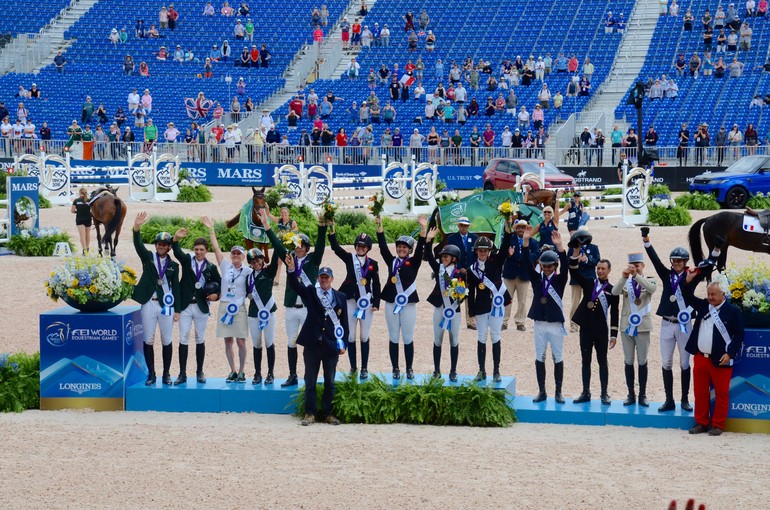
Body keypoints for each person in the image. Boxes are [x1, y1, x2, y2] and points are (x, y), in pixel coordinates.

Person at [643, 227, 719, 412]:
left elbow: (708, 265)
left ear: (685, 262)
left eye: (680, 261)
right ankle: (669, 400)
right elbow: (654, 259)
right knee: (666, 362)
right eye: (674, 260)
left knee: (684, 363)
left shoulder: (691, 275)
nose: (676, 263)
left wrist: (716, 249)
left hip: (685, 324)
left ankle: (684, 399)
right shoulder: (666, 274)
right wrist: (646, 240)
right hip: (667, 323)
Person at [286, 258, 348, 427]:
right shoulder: (312, 292)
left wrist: (343, 345)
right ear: (318, 278)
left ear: (332, 279)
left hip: (330, 345)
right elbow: (296, 286)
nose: (324, 280)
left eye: (327, 277)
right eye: (321, 277)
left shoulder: (341, 297)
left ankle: (328, 413)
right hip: (312, 343)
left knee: (330, 381)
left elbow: (344, 324)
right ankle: (310, 413)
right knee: (310, 381)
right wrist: (291, 270)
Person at [685, 274, 744, 436]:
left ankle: (718, 424)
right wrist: (689, 281)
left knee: (721, 393)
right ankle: (701, 422)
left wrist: (730, 354)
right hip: (700, 357)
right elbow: (686, 295)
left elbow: (739, 335)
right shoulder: (704, 305)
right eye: (708, 294)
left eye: (713, 294)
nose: (710, 297)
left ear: (723, 295)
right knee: (700, 393)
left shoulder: (733, 311)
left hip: (721, 359)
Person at [132, 212, 181, 386]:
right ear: (156, 245)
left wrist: (178, 310)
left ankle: (166, 373)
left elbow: (177, 288)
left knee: (167, 339)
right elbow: (138, 246)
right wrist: (136, 228)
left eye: (164, 245)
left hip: (166, 306)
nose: (161, 246)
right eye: (159, 244)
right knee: (148, 339)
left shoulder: (174, 266)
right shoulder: (148, 258)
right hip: (148, 303)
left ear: (169, 247)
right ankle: (151, 373)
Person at [375, 215, 428, 380]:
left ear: (409, 250)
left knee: (407, 337)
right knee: (393, 337)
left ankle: (410, 368)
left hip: (409, 304)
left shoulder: (414, 262)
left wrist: (423, 229)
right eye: (399, 247)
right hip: (391, 302)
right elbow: (383, 247)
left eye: (405, 248)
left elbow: (420, 249)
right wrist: (380, 227)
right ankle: (395, 368)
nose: (401, 249)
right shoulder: (391, 261)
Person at [569, 241, 619, 405]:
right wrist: (576, 254)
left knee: (602, 361)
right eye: (598, 268)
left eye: (603, 269)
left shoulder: (613, 289)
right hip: (586, 328)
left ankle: (604, 393)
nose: (600, 271)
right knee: (585, 361)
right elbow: (574, 273)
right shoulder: (589, 282)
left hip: (601, 330)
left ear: (609, 270)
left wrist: (613, 334)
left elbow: (614, 313)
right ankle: (586, 392)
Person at [202, 216, 251, 382]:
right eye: (234, 253)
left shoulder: (247, 271)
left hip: (239, 308)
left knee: (241, 342)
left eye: (239, 254)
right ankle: (232, 370)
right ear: (231, 255)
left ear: (243, 256)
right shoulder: (225, 266)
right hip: (225, 307)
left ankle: (243, 370)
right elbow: (216, 248)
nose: (236, 255)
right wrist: (211, 230)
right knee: (228, 341)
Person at [328, 224, 381, 379]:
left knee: (364, 336)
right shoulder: (350, 258)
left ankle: (364, 368)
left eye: (363, 247)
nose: (360, 248)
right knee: (350, 336)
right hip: (350, 301)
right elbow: (336, 249)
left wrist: (376, 303)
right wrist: (332, 233)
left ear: (368, 248)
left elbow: (376, 284)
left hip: (366, 304)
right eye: (358, 245)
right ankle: (353, 367)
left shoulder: (373, 264)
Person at [281, 213, 327, 387]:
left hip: (308, 308)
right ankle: (292, 374)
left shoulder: (313, 261)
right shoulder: (289, 260)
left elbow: (321, 246)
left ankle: (310, 374)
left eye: (302, 246)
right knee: (291, 340)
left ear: (307, 248)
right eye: (296, 246)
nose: (298, 249)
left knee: (312, 340)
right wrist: (269, 228)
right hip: (292, 306)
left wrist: (321, 226)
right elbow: (278, 247)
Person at [170, 228, 222, 384]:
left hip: (201, 306)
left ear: (207, 251)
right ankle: (182, 373)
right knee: (183, 338)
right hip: (186, 305)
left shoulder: (211, 267)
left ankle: (200, 372)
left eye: (202, 250)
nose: (199, 252)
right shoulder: (187, 260)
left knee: (200, 338)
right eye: (196, 249)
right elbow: (177, 252)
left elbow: (220, 283)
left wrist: (216, 296)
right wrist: (175, 239)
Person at [523, 227, 567, 403]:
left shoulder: (559, 280)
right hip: (540, 323)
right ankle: (542, 391)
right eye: (545, 266)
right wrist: (526, 243)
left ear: (555, 266)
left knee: (558, 357)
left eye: (550, 266)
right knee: (539, 356)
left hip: (555, 324)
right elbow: (526, 264)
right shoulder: (537, 279)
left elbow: (566, 270)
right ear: (541, 266)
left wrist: (560, 247)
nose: (547, 268)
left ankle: (558, 392)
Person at [244, 211, 287, 384]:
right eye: (253, 262)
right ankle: (257, 373)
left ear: (263, 260)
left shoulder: (269, 272)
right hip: (254, 313)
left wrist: (276, 233)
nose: (256, 263)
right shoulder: (248, 276)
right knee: (256, 343)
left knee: (269, 342)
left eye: (259, 260)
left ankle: (270, 373)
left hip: (269, 311)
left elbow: (278, 251)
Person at [612, 252, 657, 407]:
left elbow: (651, 289)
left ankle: (642, 394)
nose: (635, 268)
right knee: (629, 361)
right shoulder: (626, 281)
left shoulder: (648, 279)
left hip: (643, 326)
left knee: (642, 361)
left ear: (643, 266)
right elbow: (614, 292)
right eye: (633, 266)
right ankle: (630, 394)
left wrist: (637, 276)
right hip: (627, 326)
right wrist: (624, 277)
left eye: (638, 265)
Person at [466, 233, 509, 382]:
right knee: (481, 337)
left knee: (496, 336)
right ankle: (481, 370)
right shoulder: (472, 269)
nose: (482, 252)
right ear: (476, 251)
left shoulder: (496, 262)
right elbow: (471, 291)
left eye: (485, 250)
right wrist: (471, 311)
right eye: (480, 250)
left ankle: (496, 370)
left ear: (489, 251)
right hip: (481, 306)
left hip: (496, 306)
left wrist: (508, 229)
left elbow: (504, 248)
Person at [424, 229, 464, 381]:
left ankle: (453, 370)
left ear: (454, 258)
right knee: (437, 339)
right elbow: (428, 257)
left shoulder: (460, 274)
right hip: (439, 308)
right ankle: (436, 370)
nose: (443, 259)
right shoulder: (439, 269)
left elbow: (463, 294)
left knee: (454, 340)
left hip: (454, 310)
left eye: (446, 257)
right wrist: (429, 241)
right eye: (442, 257)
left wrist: (457, 294)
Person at [71, 188, 92, 254]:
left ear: (80, 193)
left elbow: (72, 210)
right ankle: (87, 247)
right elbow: (92, 210)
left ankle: (84, 249)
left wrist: (77, 211)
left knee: (82, 235)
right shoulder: (89, 200)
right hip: (88, 218)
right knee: (88, 234)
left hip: (80, 219)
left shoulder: (76, 200)